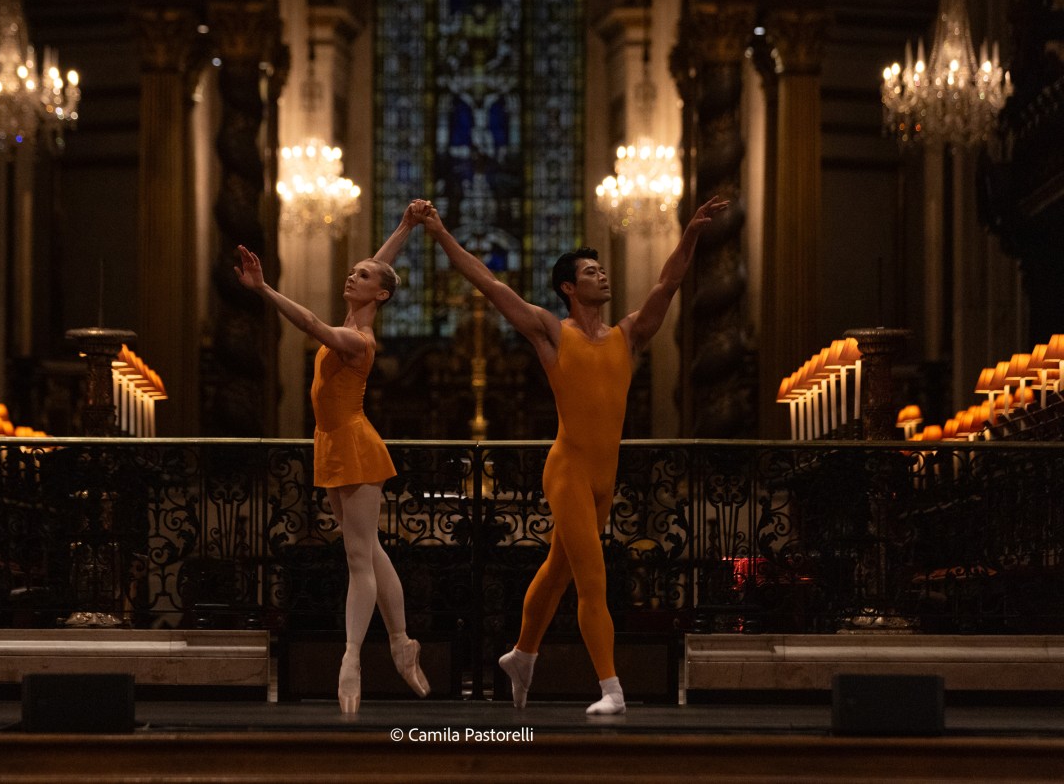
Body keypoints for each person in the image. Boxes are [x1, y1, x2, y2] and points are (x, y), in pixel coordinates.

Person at [416, 194, 729, 714]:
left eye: (603, 270)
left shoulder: (628, 335)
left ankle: (521, 654)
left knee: (556, 571)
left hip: (605, 477)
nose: (603, 277)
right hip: (567, 472)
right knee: (591, 579)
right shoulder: (550, 332)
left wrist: (691, 234)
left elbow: (667, 284)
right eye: (591, 271)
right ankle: (612, 689)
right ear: (569, 287)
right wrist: (441, 232)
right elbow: (490, 285)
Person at [234, 200, 433, 714]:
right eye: (352, 270)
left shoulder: (357, 340)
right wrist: (406, 226)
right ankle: (401, 642)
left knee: (358, 558)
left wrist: (265, 290)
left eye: (360, 275)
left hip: (355, 444)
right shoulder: (359, 308)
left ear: (380, 295)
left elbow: (311, 325)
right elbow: (379, 266)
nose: (352, 274)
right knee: (370, 550)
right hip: (332, 441)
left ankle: (351, 657)